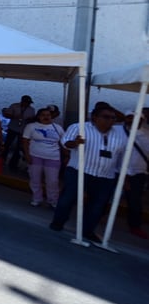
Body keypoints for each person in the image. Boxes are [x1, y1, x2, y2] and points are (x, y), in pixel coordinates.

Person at [50, 103, 129, 243]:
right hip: (79, 170)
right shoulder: (79, 127)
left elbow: (122, 156)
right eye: (106, 117)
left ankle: (87, 230)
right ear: (94, 117)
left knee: (98, 205)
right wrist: (74, 143)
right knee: (68, 198)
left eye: (113, 118)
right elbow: (65, 143)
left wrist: (124, 176)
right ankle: (58, 222)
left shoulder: (120, 134)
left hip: (106, 176)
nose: (110, 120)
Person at [22, 107, 65, 207]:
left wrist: (66, 156)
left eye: (48, 115)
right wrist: (27, 155)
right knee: (35, 179)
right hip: (35, 156)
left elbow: (63, 142)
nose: (46, 117)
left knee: (53, 181)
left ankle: (53, 200)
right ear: (39, 116)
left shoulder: (58, 128)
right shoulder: (31, 126)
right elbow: (25, 142)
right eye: (43, 115)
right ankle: (37, 198)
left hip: (53, 157)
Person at [123, 110, 148, 239]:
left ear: (142, 120)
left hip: (137, 173)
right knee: (103, 196)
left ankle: (135, 226)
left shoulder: (147, 135)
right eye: (129, 117)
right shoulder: (117, 131)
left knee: (134, 201)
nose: (131, 120)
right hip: (116, 171)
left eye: (135, 118)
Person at [2, 95, 36, 171]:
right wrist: (14, 116)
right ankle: (2, 159)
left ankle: (13, 164)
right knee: (7, 144)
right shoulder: (14, 106)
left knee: (18, 148)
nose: (27, 104)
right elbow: (6, 114)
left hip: (23, 130)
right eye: (26, 102)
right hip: (12, 128)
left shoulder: (32, 110)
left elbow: (34, 119)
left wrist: (30, 119)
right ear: (22, 101)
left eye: (29, 103)